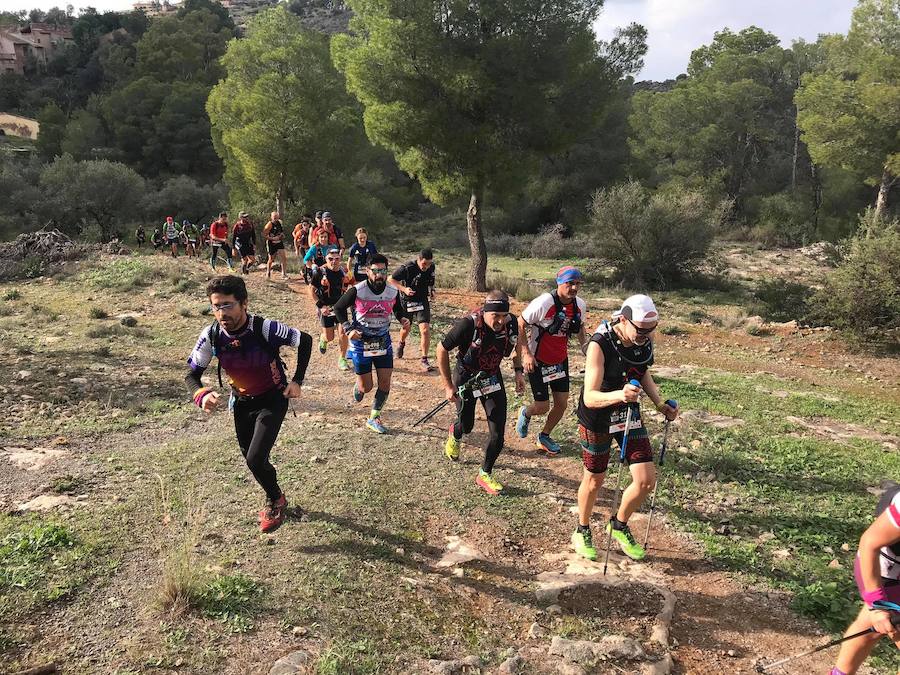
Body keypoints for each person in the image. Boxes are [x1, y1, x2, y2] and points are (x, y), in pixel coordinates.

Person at [185, 275, 312, 533]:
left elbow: (306, 340)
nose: (222, 313)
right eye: (216, 306)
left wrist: (297, 381)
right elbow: (191, 375)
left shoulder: (264, 328)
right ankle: (276, 494)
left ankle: (274, 501)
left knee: (255, 459)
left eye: (228, 305)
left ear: (244, 303)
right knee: (252, 458)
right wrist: (200, 395)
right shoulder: (211, 335)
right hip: (242, 402)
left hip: (273, 400)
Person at [572, 294, 678, 562]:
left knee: (645, 481)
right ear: (623, 319)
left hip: (627, 414)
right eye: (640, 331)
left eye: (650, 331)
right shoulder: (600, 344)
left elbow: (642, 371)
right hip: (597, 417)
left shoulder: (644, 340)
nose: (645, 336)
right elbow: (590, 397)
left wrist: (659, 403)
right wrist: (621, 394)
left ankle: (618, 525)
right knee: (595, 479)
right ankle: (581, 529)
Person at [436, 290, 526, 495]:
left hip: (491, 377)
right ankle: (455, 432)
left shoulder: (511, 322)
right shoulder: (468, 324)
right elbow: (441, 349)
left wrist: (518, 372)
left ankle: (485, 473)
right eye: (496, 316)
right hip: (466, 377)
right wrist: (448, 385)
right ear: (485, 312)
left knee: (498, 434)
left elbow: (516, 344)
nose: (501, 321)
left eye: (504, 315)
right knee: (466, 426)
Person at [516, 266, 589, 456]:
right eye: (569, 283)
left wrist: (588, 351)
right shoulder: (545, 302)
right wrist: (526, 353)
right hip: (538, 360)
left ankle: (544, 435)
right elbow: (520, 323)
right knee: (542, 406)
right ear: (559, 283)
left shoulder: (579, 305)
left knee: (562, 404)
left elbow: (581, 329)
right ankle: (526, 412)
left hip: (559, 360)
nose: (574, 288)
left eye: (577, 284)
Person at [333, 254, 409, 434]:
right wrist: (348, 328)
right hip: (361, 342)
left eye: (382, 271)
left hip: (383, 341)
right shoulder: (357, 290)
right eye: (375, 271)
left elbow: (396, 308)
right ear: (367, 271)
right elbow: (338, 308)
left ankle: (374, 417)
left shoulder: (392, 291)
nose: (379, 275)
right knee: (366, 387)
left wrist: (402, 317)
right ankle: (359, 386)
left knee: (385, 382)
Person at [830, 485, 900, 675]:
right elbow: (869, 543)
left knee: (869, 628)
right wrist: (877, 605)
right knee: (876, 623)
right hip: (887, 567)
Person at [390, 249, 436, 372]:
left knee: (425, 330)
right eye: (424, 264)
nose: (426, 266)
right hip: (407, 301)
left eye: (429, 263)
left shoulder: (431, 267)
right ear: (419, 259)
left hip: (422, 300)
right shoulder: (407, 268)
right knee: (407, 328)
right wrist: (403, 289)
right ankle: (401, 343)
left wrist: (432, 291)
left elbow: (431, 282)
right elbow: (391, 279)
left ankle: (424, 359)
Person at [309, 246, 352, 371]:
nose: (334, 261)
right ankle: (323, 338)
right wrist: (320, 306)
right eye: (331, 259)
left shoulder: (344, 272)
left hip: (340, 306)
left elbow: (354, 285)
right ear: (326, 259)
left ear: (340, 259)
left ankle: (342, 359)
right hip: (326, 307)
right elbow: (311, 290)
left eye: (337, 259)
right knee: (330, 337)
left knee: (343, 332)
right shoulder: (319, 272)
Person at [264, 211, 289, 280]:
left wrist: (281, 235)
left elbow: (281, 231)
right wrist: (272, 238)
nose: (276, 219)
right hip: (271, 243)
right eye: (274, 218)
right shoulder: (269, 225)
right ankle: (268, 272)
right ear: (271, 217)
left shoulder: (279, 223)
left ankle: (284, 274)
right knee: (271, 259)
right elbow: (264, 234)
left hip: (279, 242)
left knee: (283, 257)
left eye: (277, 217)